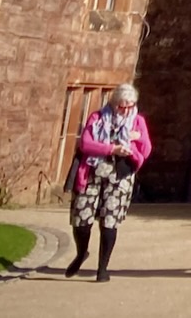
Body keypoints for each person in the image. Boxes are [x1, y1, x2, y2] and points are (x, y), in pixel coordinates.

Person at [65, 82, 150, 282]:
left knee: (109, 221)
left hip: (120, 176)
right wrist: (111, 149)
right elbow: (86, 144)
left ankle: (102, 268)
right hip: (92, 172)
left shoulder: (137, 122)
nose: (125, 110)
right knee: (81, 220)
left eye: (129, 105)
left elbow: (146, 150)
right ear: (113, 103)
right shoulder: (97, 117)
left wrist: (135, 141)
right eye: (121, 105)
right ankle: (81, 252)